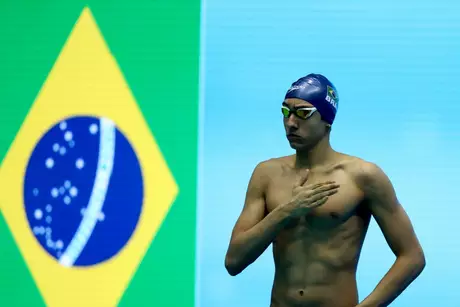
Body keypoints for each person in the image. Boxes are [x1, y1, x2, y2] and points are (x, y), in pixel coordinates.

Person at [224, 73, 426, 307]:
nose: (291, 122)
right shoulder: (266, 174)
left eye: (303, 113)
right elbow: (234, 261)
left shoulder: (362, 177)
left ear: (327, 120)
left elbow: (412, 256)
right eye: (286, 111)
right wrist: (286, 212)